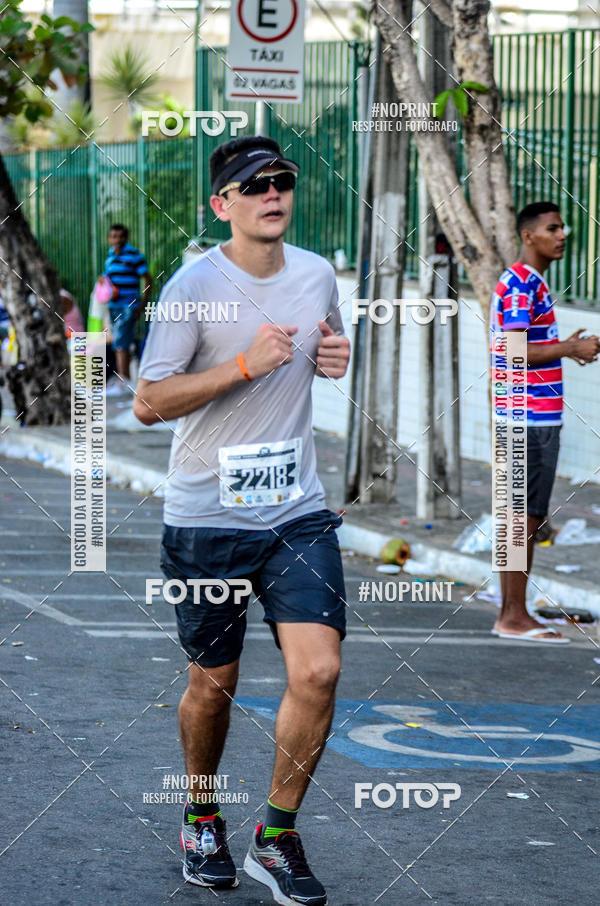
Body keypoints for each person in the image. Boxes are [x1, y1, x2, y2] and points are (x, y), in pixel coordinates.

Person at [133, 135, 351, 905]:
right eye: (253, 186)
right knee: (213, 686)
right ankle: (200, 816)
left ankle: (276, 836)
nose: (272, 193)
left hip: (297, 512)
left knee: (318, 672)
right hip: (207, 520)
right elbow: (148, 401)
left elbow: (328, 343)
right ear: (220, 205)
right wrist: (241, 367)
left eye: (281, 180)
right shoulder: (192, 288)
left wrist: (335, 357)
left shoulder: (317, 274)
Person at [490, 201, 600, 642]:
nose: (562, 235)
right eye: (552, 228)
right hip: (527, 420)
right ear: (528, 235)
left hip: (529, 417)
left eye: (562, 228)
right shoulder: (521, 284)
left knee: (523, 517)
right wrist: (570, 349)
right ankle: (513, 616)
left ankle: (513, 612)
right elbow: (512, 351)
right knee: (523, 518)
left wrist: (562, 347)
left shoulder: (528, 282)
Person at [103, 223, 152, 387]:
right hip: (113, 305)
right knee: (121, 341)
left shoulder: (134, 256)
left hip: (128, 306)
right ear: (109, 239)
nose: (117, 240)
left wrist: (142, 305)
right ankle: (125, 380)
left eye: (120, 236)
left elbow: (148, 280)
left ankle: (122, 380)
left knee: (121, 342)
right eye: (114, 237)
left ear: (126, 238)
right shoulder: (110, 257)